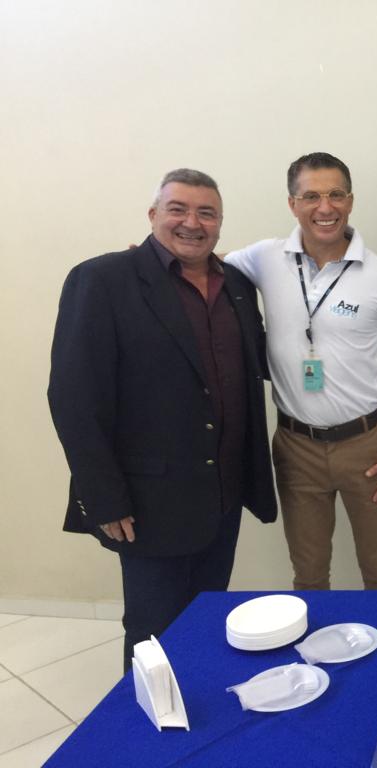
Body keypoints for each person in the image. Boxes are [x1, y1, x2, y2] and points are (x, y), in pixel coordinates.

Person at [48, 169, 277, 672]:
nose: (192, 222)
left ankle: (199, 706)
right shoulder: (103, 280)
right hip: (148, 501)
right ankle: (148, 722)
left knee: (207, 618)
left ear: (219, 224)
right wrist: (103, 497)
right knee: (152, 632)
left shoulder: (236, 285)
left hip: (223, 494)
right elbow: (72, 397)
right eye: (178, 209)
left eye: (206, 213)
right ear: (153, 215)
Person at [226, 152, 377, 591]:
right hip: (296, 448)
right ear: (292, 204)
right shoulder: (265, 258)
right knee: (309, 574)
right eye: (311, 196)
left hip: (368, 448)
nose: (325, 207)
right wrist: (153, 257)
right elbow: (208, 260)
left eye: (335, 195)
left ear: (350, 201)